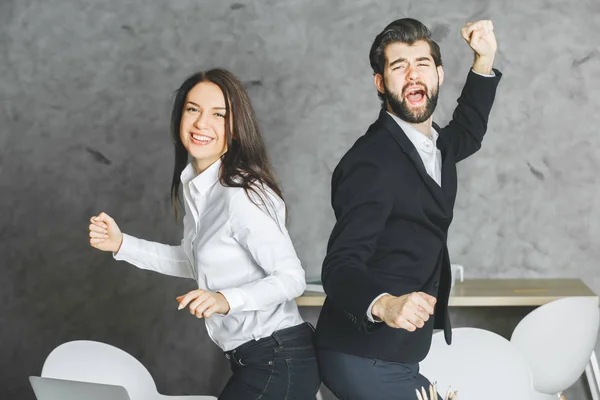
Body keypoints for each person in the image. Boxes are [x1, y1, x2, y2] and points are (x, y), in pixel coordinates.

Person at [88, 68, 320, 399]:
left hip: (279, 358)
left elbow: (291, 278)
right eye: (193, 109)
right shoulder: (198, 190)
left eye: (218, 114)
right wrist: (122, 244)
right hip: (257, 360)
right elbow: (193, 260)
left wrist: (224, 300)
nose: (201, 123)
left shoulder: (242, 194)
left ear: (236, 129)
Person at [315, 18, 501, 399]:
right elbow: (339, 267)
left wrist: (484, 60)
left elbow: (468, 129)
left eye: (423, 64)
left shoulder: (436, 146)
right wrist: (384, 304)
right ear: (381, 83)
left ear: (439, 74)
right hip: (361, 353)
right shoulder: (370, 162)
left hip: (399, 352)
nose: (413, 74)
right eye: (399, 66)